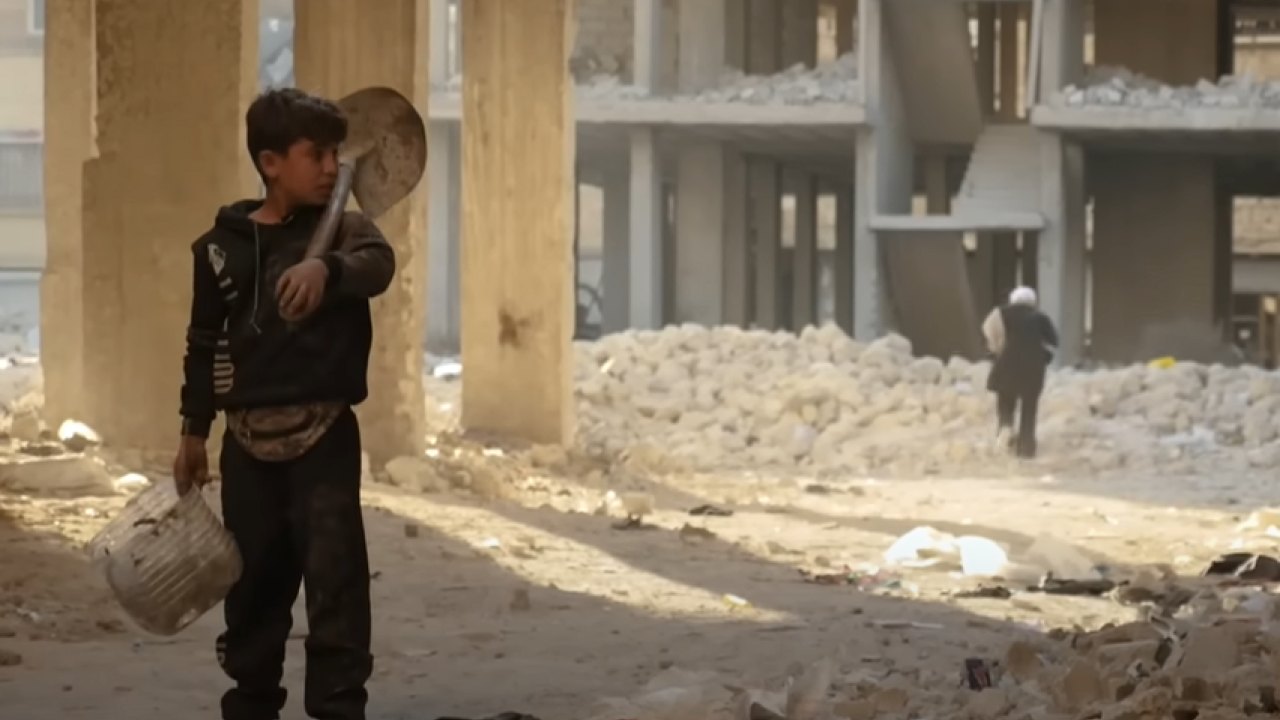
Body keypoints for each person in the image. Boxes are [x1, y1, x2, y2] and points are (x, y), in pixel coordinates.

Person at [173, 87, 395, 720]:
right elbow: (203, 344)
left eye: (335, 155)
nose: (330, 167)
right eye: (315, 154)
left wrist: (328, 272)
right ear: (270, 163)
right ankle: (251, 702)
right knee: (252, 586)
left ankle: (338, 706)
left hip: (324, 440)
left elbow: (378, 264)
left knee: (336, 584)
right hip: (246, 445)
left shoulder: (346, 231)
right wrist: (193, 431)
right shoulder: (218, 250)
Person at [981, 286, 1058, 459]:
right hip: (1033, 370)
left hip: (1006, 365)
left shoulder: (1000, 313)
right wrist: (1044, 357)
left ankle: (1005, 428)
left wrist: (997, 349)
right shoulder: (1040, 317)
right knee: (1029, 409)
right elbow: (1054, 342)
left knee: (1005, 401)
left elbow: (988, 331)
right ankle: (1026, 448)